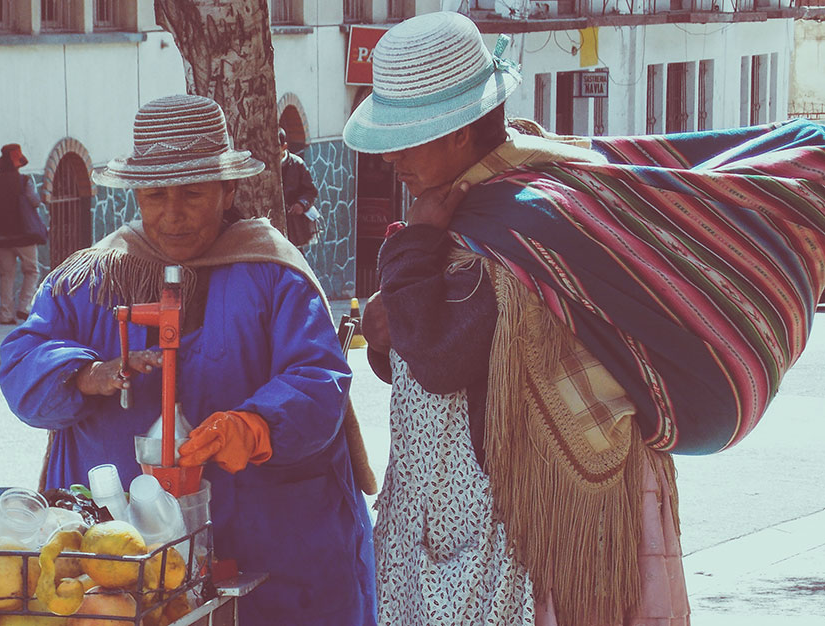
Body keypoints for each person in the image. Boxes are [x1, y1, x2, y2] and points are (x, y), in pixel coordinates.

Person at [344, 10, 825, 625]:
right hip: (470, 510)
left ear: (456, 133)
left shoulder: (512, 226)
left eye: (404, 140)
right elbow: (426, 355)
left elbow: (438, 357)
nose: (393, 161)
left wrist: (411, 253)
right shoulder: (506, 199)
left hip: (521, 527)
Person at [0, 94, 376, 626]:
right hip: (120, 574)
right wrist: (85, 374)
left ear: (228, 192)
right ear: (136, 194)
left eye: (192, 194)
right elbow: (20, 364)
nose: (171, 215)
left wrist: (256, 424)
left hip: (272, 557)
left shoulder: (276, 275)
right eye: (154, 195)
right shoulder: (87, 279)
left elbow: (319, 378)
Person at [0, 143, 46, 324]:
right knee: (31, 270)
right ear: (16, 163)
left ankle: (5, 314)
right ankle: (24, 307)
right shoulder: (24, 181)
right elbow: (35, 202)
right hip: (23, 234)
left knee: (6, 275)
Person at [280, 127, 320, 247]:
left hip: (293, 224)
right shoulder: (266, 165)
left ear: (284, 146)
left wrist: (301, 204)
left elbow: (311, 191)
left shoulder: (298, 164)